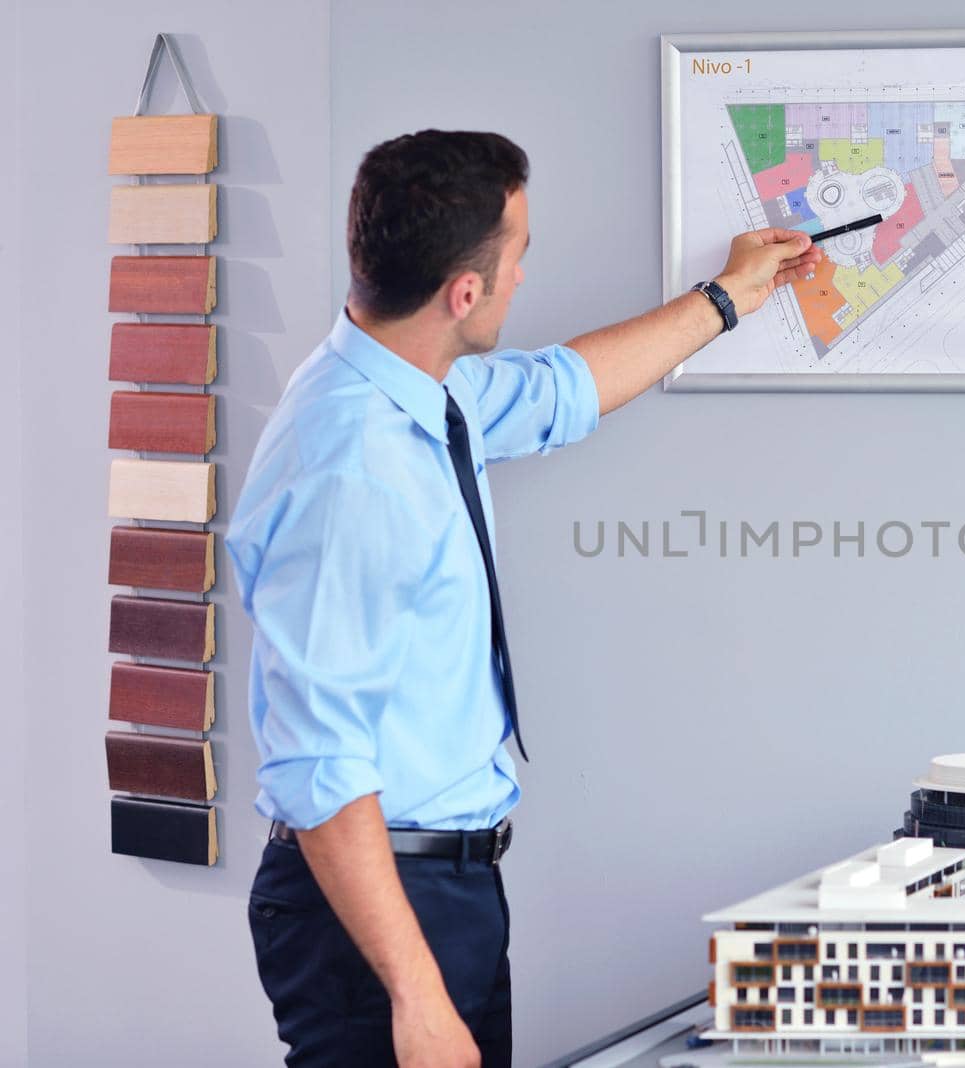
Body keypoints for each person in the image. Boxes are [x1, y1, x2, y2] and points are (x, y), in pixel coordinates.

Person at [225, 129, 822, 1068]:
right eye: (519, 261)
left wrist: (729, 297)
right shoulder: (351, 471)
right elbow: (321, 766)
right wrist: (416, 998)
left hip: (443, 887)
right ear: (466, 293)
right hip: (377, 910)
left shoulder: (416, 388)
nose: (522, 281)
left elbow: (558, 393)